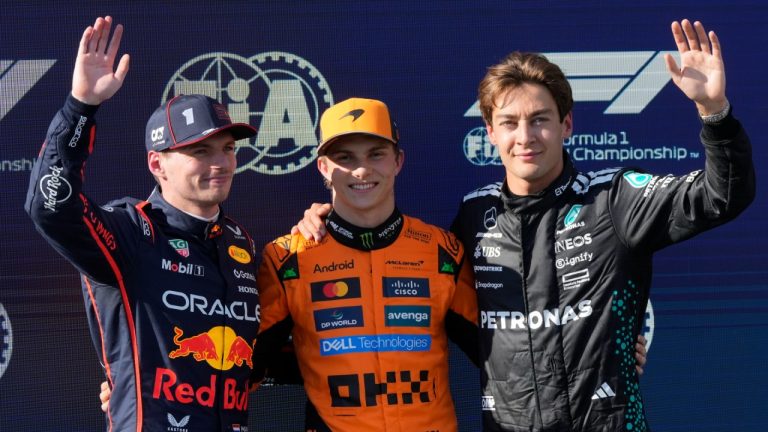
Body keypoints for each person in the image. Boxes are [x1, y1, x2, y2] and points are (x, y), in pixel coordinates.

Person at [294, 19, 752, 431]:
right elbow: (426, 295)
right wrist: (329, 227)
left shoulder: (614, 197)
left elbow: (721, 196)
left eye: (540, 121)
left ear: (567, 124)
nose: (525, 137)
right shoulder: (474, 216)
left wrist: (714, 112)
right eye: (509, 122)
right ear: (490, 132)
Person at [25, 16, 261, 431]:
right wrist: (81, 106)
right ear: (158, 164)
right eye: (200, 151)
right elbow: (50, 205)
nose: (220, 162)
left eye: (226, 148)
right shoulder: (133, 232)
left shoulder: (239, 242)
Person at [251, 97, 480, 432]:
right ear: (323, 167)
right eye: (345, 157)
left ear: (398, 161)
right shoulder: (288, 259)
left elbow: (502, 355)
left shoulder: (441, 251)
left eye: (376, 154)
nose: (361, 170)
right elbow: (246, 367)